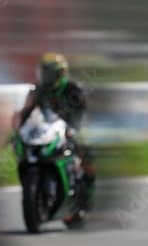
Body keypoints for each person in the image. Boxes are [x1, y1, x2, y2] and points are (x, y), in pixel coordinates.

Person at [13, 53, 96, 211]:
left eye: (50, 74)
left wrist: (78, 130)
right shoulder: (36, 90)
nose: (47, 78)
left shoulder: (72, 88)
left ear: (60, 74)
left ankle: (89, 190)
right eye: (44, 73)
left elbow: (82, 113)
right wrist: (18, 130)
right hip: (49, 128)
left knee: (85, 148)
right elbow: (26, 111)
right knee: (26, 150)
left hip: (73, 127)